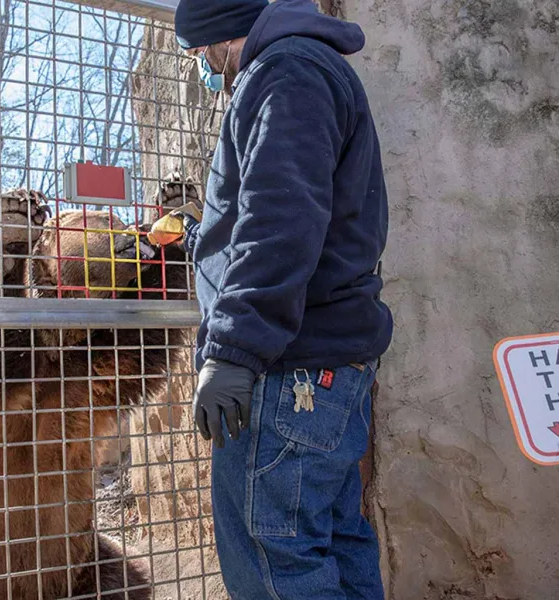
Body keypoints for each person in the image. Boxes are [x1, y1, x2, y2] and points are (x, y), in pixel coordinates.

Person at [171, 1, 393, 598]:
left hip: (287, 368)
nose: (204, 69)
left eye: (198, 55)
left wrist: (234, 351)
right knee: (334, 542)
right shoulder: (308, 70)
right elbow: (284, 211)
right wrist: (195, 243)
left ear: (218, 38)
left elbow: (280, 220)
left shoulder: (284, 73)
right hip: (327, 365)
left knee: (275, 560)